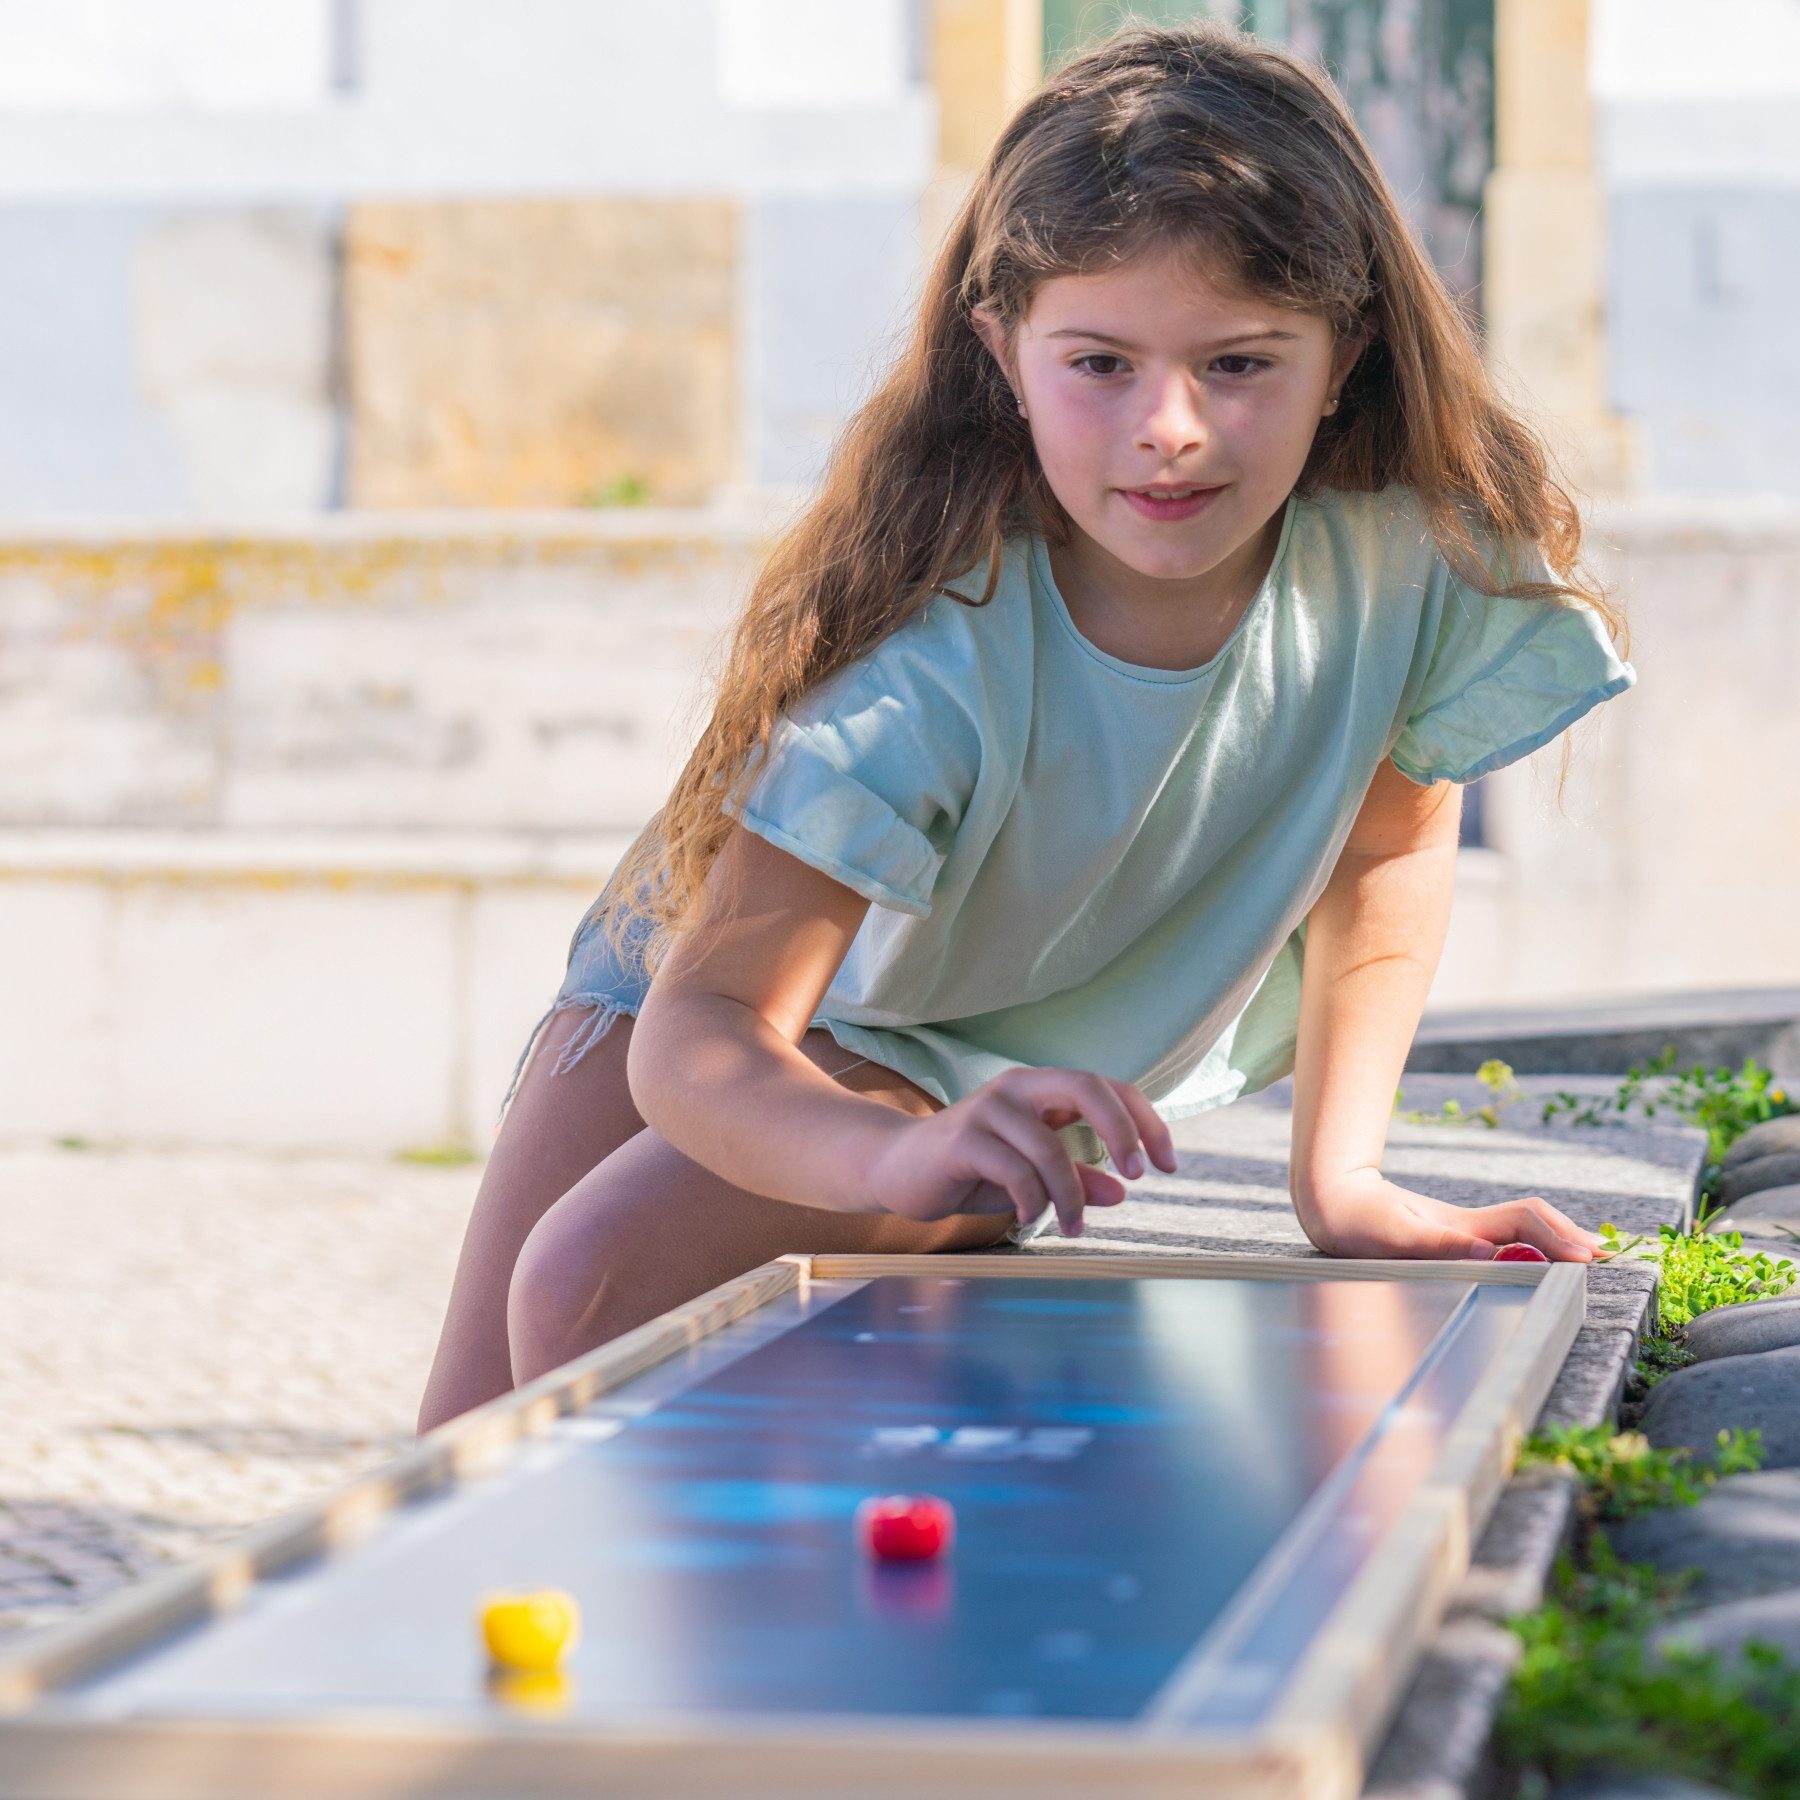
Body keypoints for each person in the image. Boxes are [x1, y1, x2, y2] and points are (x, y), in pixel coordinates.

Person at [416, 20, 1634, 1435]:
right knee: (482, 1417)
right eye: (1101, 363)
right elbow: (707, 1031)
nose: (1169, 425)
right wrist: (888, 1156)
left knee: (589, 1289)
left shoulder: (1405, 577)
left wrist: (1341, 1179)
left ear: (1346, 353)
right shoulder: (932, 667)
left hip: (960, 1059)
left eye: (1239, 363)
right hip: (723, 1003)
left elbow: (1388, 848)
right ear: (1002, 347)